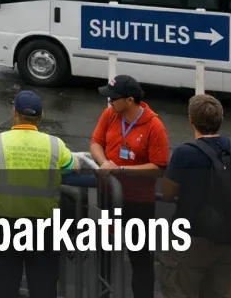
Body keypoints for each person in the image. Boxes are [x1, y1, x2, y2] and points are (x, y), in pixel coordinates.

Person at [0, 91, 85, 298]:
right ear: (40, 116)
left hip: (6, 226)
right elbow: (74, 166)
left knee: (5, 285)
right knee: (43, 287)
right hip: (44, 229)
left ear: (14, 113)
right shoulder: (55, 145)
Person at [158, 94, 231, 298]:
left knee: (179, 289)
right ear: (220, 120)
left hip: (192, 239)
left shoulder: (185, 153)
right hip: (230, 239)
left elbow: (168, 192)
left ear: (191, 120)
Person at [91, 75, 168, 298]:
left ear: (130, 100)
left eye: (113, 98)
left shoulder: (155, 127)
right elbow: (96, 142)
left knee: (141, 259)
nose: (109, 102)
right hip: (108, 197)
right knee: (103, 253)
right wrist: (104, 162)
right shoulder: (110, 114)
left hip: (139, 203)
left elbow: (158, 168)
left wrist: (122, 170)